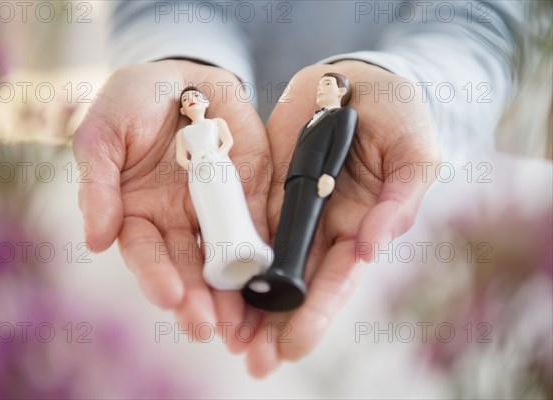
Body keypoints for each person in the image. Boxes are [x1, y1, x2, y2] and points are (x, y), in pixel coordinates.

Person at [73, 1, 526, 377]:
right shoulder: (218, 126)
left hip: (385, 203)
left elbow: (479, 20)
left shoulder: (343, 118)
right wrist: (180, 59)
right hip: (213, 193)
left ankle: (277, 264)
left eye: (330, 87)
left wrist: (409, 84)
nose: (324, 89)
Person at [243, 73, 357, 311]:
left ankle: (293, 272)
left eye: (326, 84)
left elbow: (341, 146)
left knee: (303, 226)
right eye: (319, 84)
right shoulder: (310, 120)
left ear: (341, 91)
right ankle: (278, 267)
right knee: (287, 223)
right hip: (296, 176)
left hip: (317, 177)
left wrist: (330, 174)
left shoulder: (345, 115)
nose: (319, 89)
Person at [175, 87, 272, 290]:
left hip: (222, 169)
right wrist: (195, 167)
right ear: (183, 111)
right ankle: (219, 253)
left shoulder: (217, 123)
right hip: (199, 177)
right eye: (186, 99)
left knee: (231, 204)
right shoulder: (183, 133)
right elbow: (181, 158)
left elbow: (228, 142)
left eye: (196, 96)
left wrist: (217, 156)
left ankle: (247, 244)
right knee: (210, 211)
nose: (191, 100)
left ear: (206, 103)